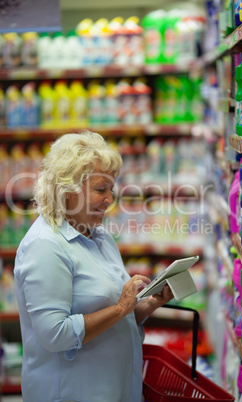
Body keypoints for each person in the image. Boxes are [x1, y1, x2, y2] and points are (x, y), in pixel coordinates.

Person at [14, 130, 174, 402]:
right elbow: (55, 334)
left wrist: (145, 306)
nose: (110, 200)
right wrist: (122, 306)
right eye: (101, 190)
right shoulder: (45, 246)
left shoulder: (99, 236)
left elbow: (108, 315)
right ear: (66, 190)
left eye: (111, 189)